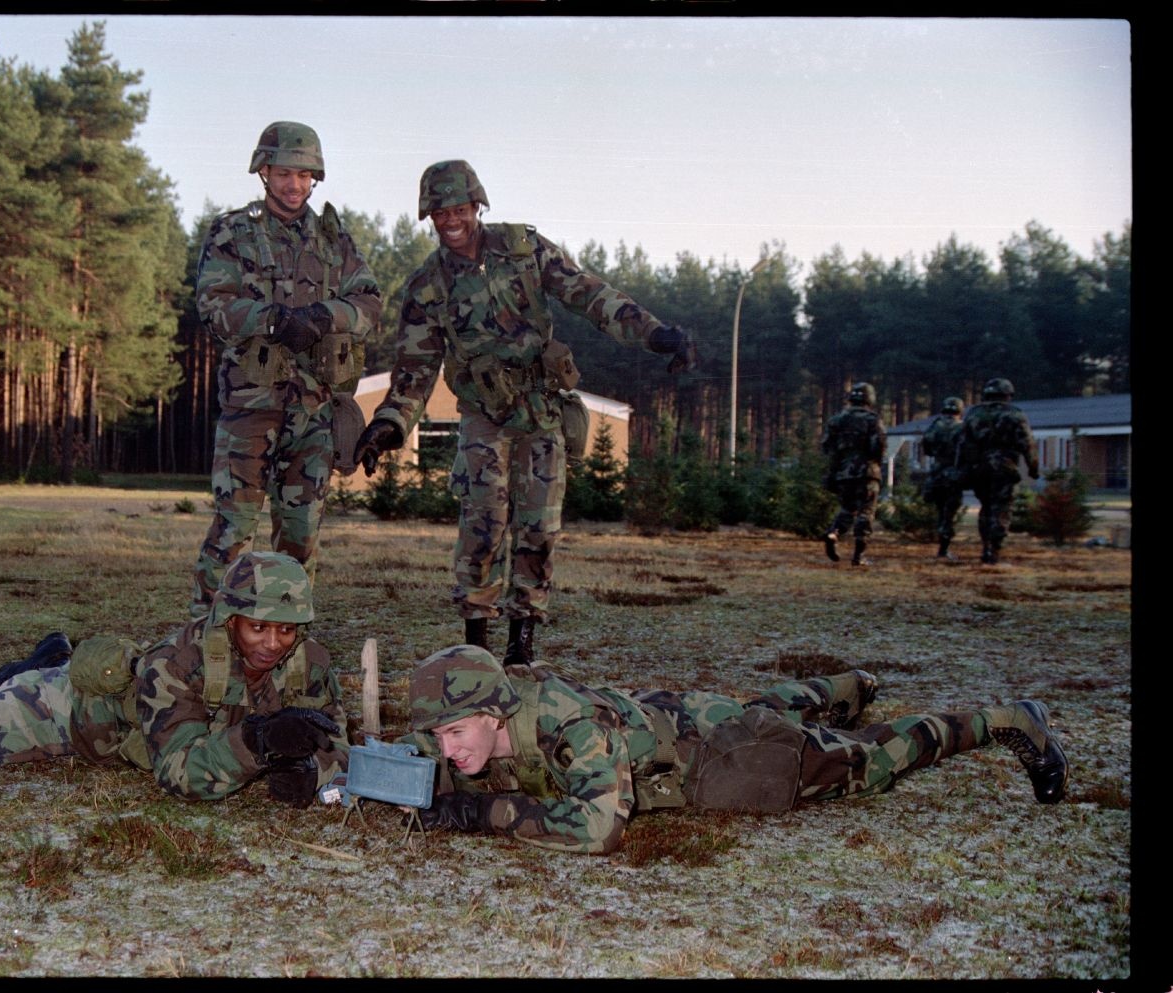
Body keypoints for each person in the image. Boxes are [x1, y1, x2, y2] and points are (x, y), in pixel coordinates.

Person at [352, 160, 694, 665]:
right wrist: (389, 423)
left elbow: (589, 294)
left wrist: (655, 334)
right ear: (429, 214)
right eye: (440, 210)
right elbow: (415, 369)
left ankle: (523, 641)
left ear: (478, 205)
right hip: (483, 415)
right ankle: (476, 642)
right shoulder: (427, 286)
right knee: (483, 522)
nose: (452, 219)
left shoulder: (524, 249)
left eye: (461, 208)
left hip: (539, 408)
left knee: (539, 526)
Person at [400, 646, 1067, 855]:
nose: (447, 748)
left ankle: (1010, 719)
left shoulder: (569, 729)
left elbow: (602, 825)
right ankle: (845, 685)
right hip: (691, 718)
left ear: (494, 713)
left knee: (872, 760)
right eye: (439, 737)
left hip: (727, 753)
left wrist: (486, 815)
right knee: (761, 706)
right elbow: (414, 750)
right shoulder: (490, 721)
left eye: (456, 734)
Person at [0, 552, 349, 809]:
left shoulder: (310, 664)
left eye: (286, 630)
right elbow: (176, 775)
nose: (272, 643)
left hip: (129, 729)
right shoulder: (176, 663)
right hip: (68, 715)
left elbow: (342, 744)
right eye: (258, 626)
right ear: (230, 620)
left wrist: (313, 769)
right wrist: (261, 742)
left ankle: (50, 656)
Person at [187, 121, 382, 618]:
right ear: (264, 172)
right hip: (250, 406)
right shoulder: (233, 232)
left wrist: (324, 316)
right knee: (234, 528)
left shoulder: (333, 239)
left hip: (313, 411)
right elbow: (214, 305)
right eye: (283, 173)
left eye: (304, 174)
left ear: (315, 177)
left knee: (300, 536)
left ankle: (288, 643)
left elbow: (369, 302)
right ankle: (206, 639)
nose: (294, 185)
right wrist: (273, 320)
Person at [958, 377, 1040, 565]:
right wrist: (1033, 468)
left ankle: (986, 547)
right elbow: (1028, 444)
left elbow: (962, 444)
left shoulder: (974, 414)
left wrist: (962, 469)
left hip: (979, 469)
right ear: (1008, 395)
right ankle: (994, 551)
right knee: (1001, 509)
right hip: (1004, 468)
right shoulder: (1015, 415)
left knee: (986, 508)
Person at [821, 382, 887, 565]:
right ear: (870, 398)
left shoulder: (836, 420)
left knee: (848, 509)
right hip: (866, 471)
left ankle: (833, 532)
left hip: (843, 473)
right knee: (866, 511)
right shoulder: (872, 420)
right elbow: (879, 446)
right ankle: (859, 555)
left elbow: (827, 447)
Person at [920, 396, 966, 559]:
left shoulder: (935, 426)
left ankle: (943, 545)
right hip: (954, 473)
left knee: (941, 511)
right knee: (949, 513)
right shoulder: (962, 428)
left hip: (937, 473)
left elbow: (926, 448)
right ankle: (944, 548)